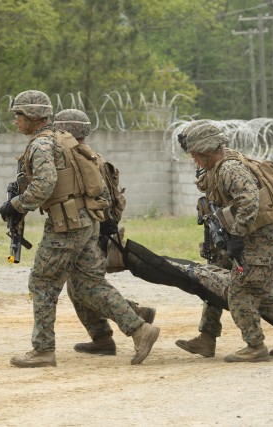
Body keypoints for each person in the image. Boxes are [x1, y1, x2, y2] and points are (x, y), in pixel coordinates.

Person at [1, 91, 159, 367]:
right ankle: (140, 328)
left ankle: (43, 350)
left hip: (65, 225)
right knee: (89, 284)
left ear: (32, 116)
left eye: (19, 115)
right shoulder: (65, 140)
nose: (16, 121)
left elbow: (44, 184)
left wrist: (16, 205)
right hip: (87, 222)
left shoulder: (41, 145)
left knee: (43, 283)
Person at [178, 122, 273, 363]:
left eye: (197, 157)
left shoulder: (231, 169)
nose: (196, 162)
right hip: (257, 236)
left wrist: (238, 236)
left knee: (240, 291)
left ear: (209, 152)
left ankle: (256, 346)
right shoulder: (219, 166)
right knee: (256, 289)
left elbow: (250, 201)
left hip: (262, 238)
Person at [53, 108, 156, 356]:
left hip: (89, 230)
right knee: (79, 286)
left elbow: (100, 198)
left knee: (87, 287)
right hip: (95, 229)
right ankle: (103, 337)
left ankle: (132, 320)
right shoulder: (92, 156)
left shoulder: (80, 159)